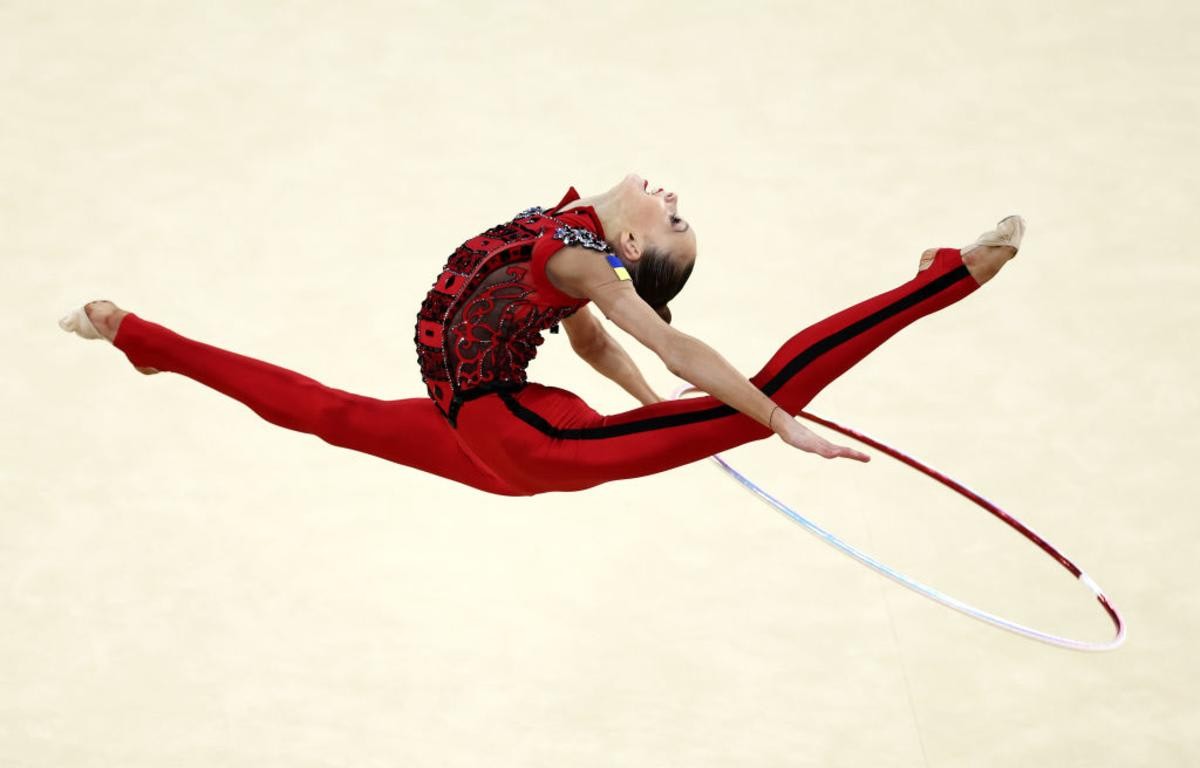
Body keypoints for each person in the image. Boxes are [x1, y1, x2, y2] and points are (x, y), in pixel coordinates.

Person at [59, 174, 1023, 497]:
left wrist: (775, 423)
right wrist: (652, 407)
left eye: (673, 219)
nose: (674, 198)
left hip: (527, 440)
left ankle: (945, 280)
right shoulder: (568, 247)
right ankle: (139, 336)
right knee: (332, 415)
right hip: (493, 420)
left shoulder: (580, 260)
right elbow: (596, 346)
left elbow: (674, 346)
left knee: (761, 398)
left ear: (632, 242)